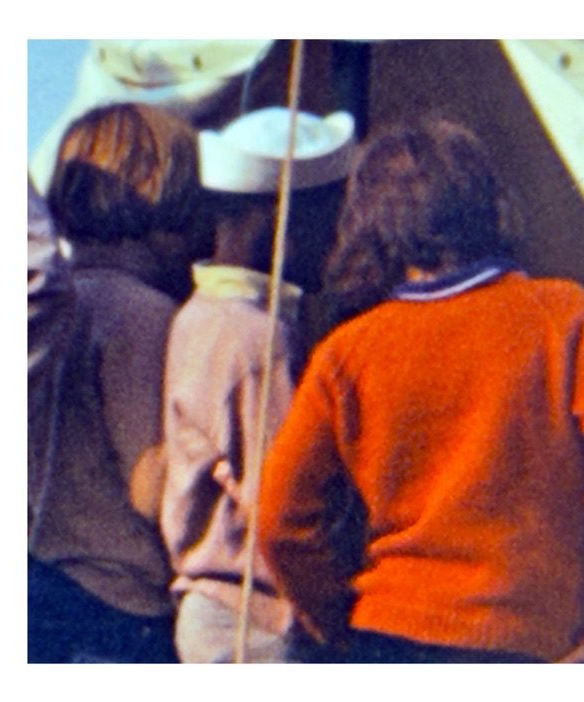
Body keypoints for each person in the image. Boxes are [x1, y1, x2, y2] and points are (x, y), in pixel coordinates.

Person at [255, 117, 584, 663]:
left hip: (383, 638)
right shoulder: (565, 317)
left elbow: (278, 518)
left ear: (369, 221)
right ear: (489, 201)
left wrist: (335, 616)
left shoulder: (348, 351)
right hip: (519, 644)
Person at [157, 107, 356, 663]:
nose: (337, 242)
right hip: (256, 622)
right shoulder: (260, 338)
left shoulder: (197, 315)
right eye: (328, 221)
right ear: (284, 223)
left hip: (211, 611)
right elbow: (285, 502)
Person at [30, 102, 210, 663]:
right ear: (163, 202)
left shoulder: (56, 305)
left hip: (45, 580)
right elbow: (148, 488)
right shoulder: (141, 313)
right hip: (116, 603)